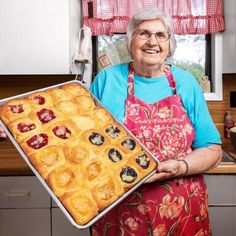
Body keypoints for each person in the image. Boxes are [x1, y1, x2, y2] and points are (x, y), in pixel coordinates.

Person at [90, 8, 222, 236]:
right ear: (130, 41)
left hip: (183, 210)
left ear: (170, 45)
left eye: (161, 35)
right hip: (120, 210)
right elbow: (84, 140)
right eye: (143, 33)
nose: (152, 42)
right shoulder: (107, 79)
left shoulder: (186, 82)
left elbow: (212, 149)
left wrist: (181, 166)